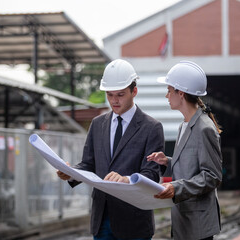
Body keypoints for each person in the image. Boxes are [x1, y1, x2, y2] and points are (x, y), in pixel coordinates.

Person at [57, 59, 165, 240]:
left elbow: (152, 174)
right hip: (102, 218)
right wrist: (71, 173)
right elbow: (88, 164)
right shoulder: (98, 124)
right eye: (110, 94)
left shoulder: (151, 127)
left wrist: (127, 180)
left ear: (134, 91)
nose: (114, 101)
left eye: (120, 94)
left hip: (134, 222)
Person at [147, 61, 223, 240]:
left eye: (169, 90)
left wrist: (175, 187)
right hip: (185, 219)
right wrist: (168, 161)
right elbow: (192, 165)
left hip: (197, 223)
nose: (167, 95)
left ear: (180, 93)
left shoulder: (204, 128)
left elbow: (212, 176)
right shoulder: (185, 125)